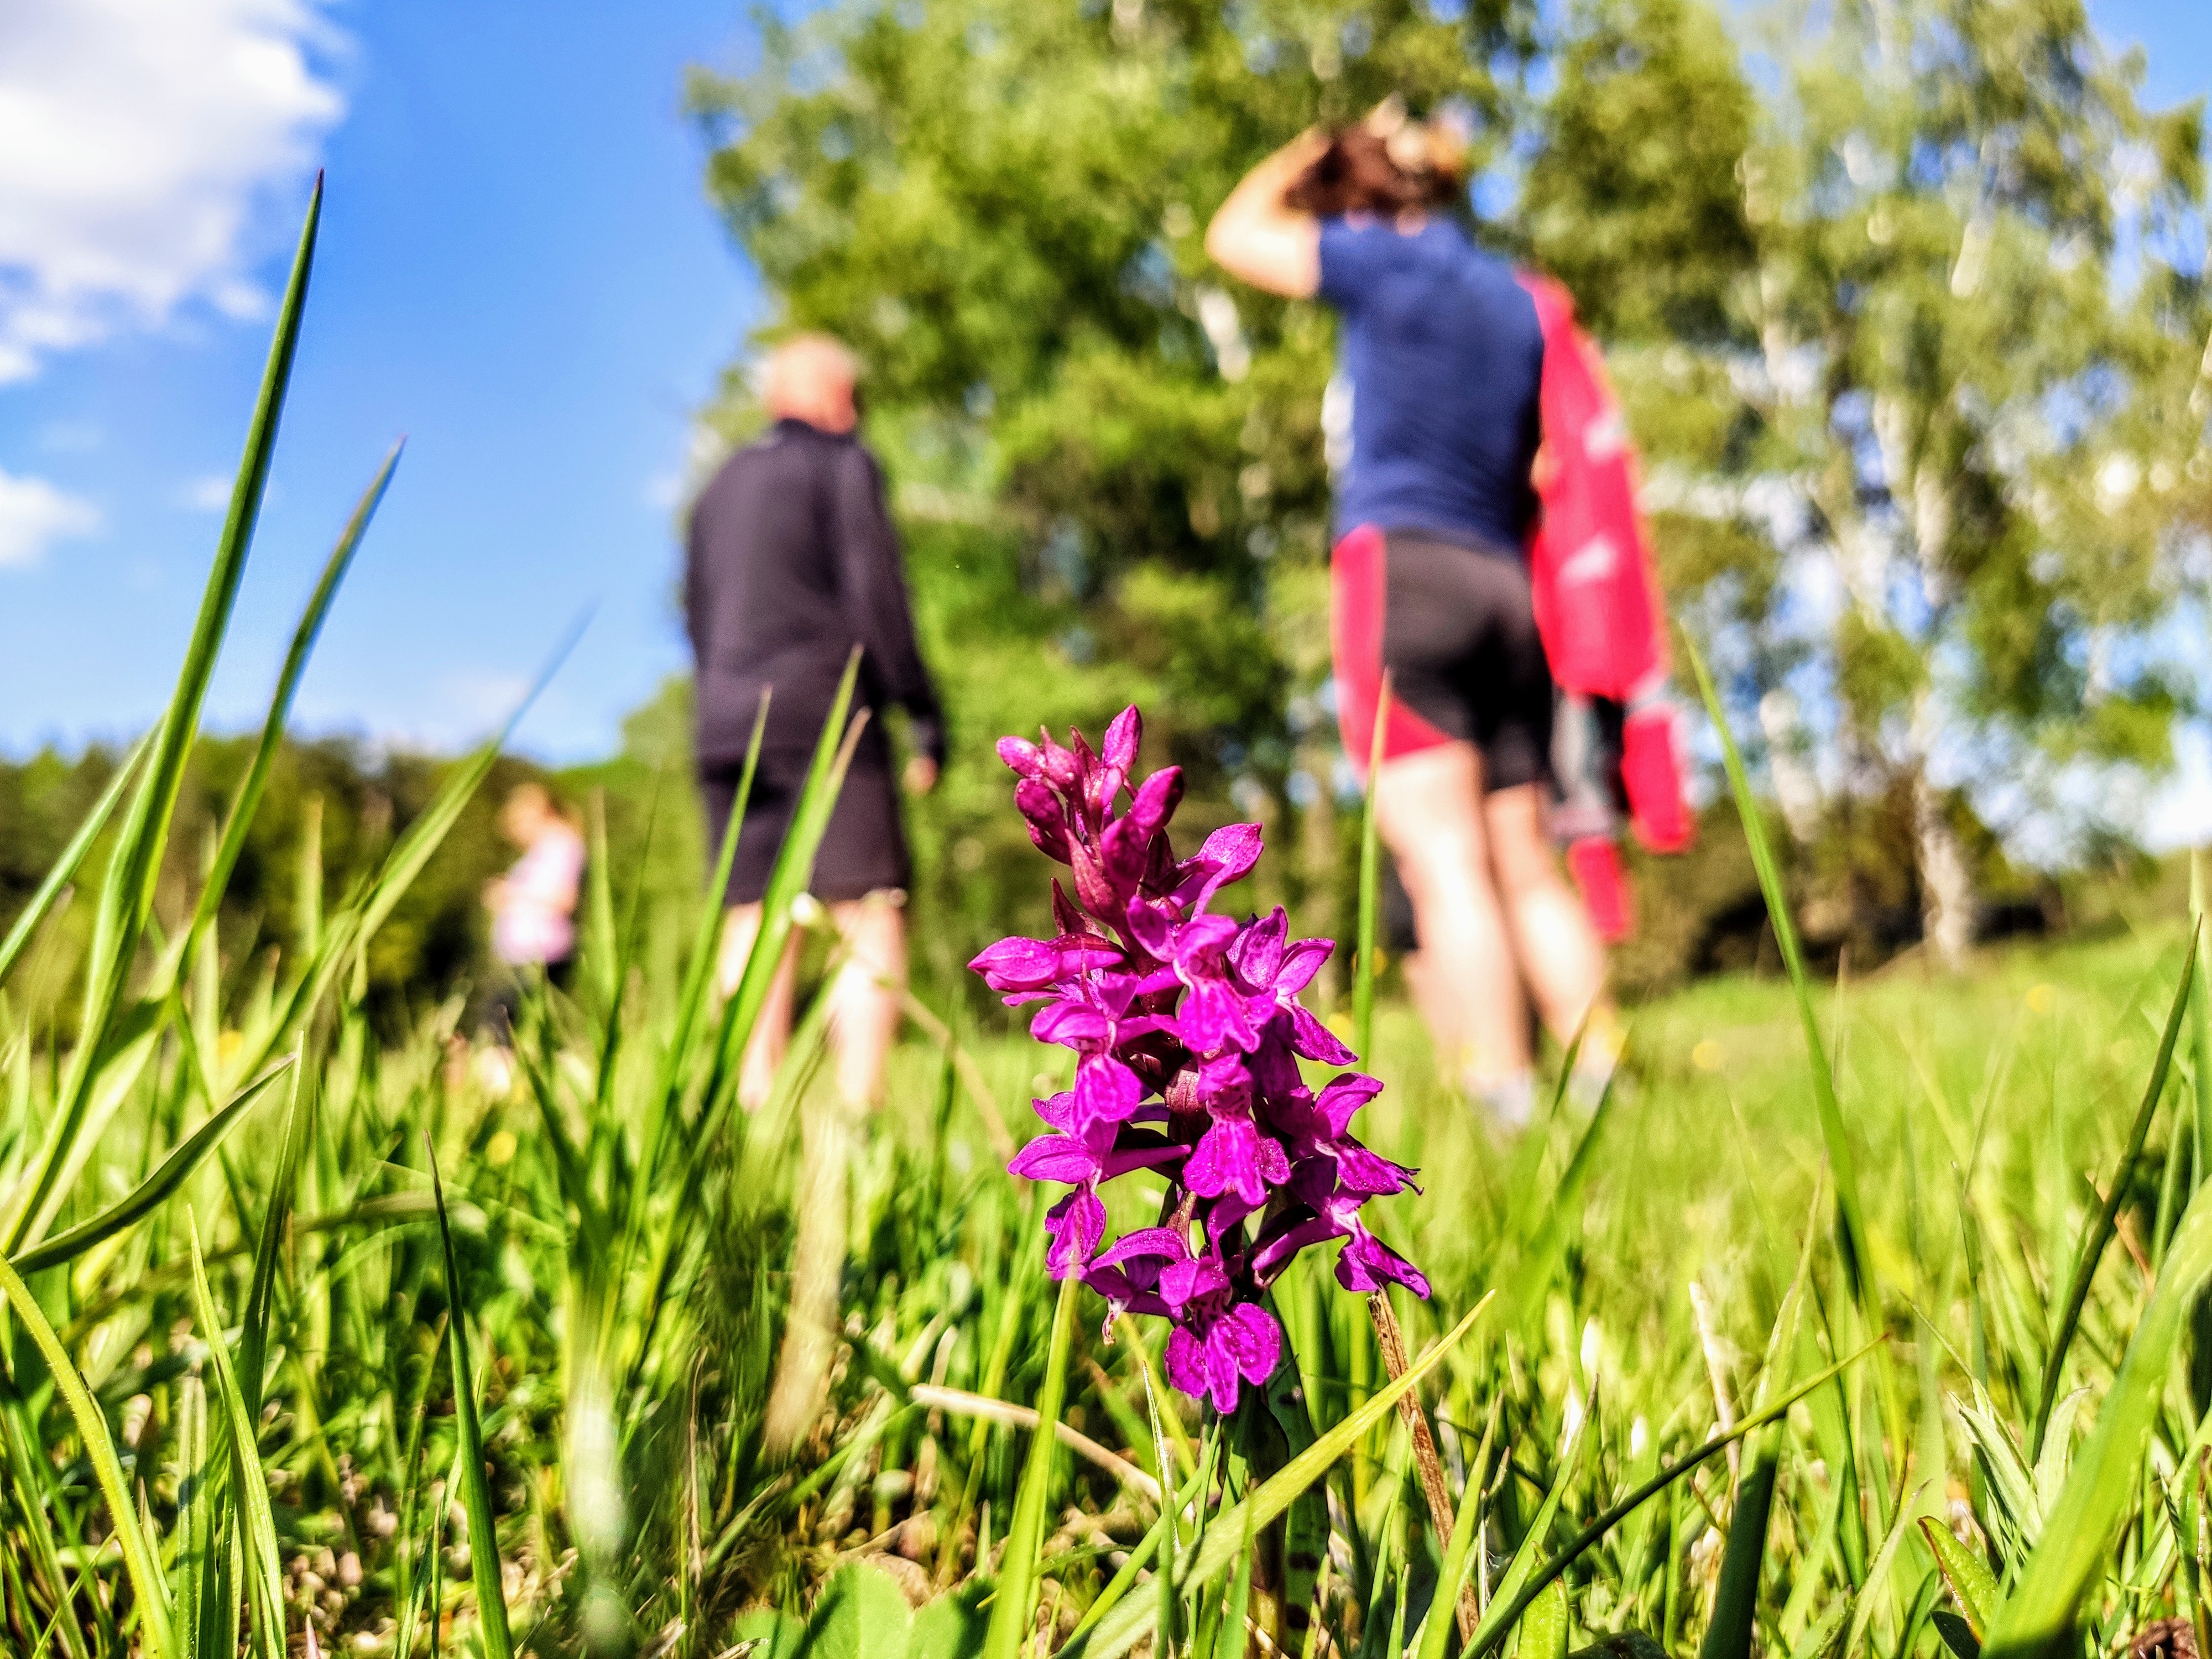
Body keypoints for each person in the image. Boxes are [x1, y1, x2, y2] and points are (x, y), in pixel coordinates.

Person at [1205, 106, 1613, 1127]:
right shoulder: (1518, 300)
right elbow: (1537, 464)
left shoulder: (1378, 260)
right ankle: (1603, 1077)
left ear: (1368, 192)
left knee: (1442, 859)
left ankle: (1508, 1107)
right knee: (1525, 860)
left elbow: (1232, 235)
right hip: (1503, 585)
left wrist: (1310, 145)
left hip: (1405, 568)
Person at [684, 332, 945, 1115]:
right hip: (826, 714)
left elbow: (696, 616)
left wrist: (723, 699)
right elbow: (876, 592)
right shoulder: (842, 461)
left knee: (750, 910)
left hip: (725, 724)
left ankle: (755, 1109)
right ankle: (856, 1120)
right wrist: (924, 715)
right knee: (868, 905)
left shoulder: (716, 487)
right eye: (855, 400)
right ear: (835, 397)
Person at [481, 781, 586, 1035]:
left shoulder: (562, 845)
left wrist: (510, 891)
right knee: (512, 1025)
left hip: (544, 954)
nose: (516, 835)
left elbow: (565, 900)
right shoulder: (545, 851)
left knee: (501, 1024)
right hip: (528, 956)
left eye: (518, 825)